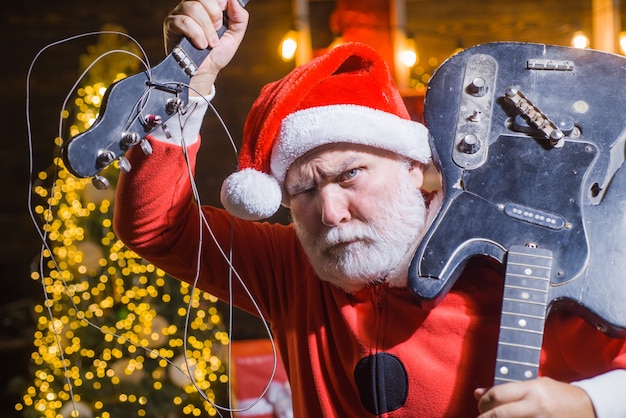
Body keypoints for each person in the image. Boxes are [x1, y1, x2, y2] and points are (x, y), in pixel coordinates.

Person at [113, 0, 626, 416]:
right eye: (303, 191)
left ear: (412, 167)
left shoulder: (512, 258)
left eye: (350, 174)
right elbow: (158, 226)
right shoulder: (293, 267)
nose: (331, 211)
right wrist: (185, 84)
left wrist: (586, 403)